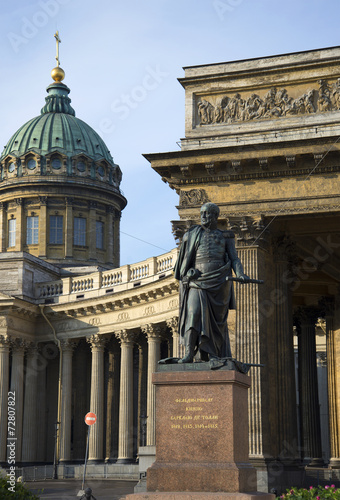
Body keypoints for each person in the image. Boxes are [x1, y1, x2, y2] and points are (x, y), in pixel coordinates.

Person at [174, 202, 249, 363]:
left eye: (207, 213)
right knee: (193, 314)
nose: (203, 216)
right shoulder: (192, 234)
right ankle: (188, 353)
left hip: (219, 282)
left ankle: (213, 353)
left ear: (215, 216)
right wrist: (188, 272)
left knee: (217, 322)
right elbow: (183, 264)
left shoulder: (225, 236)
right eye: (202, 213)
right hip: (197, 281)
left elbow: (234, 258)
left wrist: (241, 273)